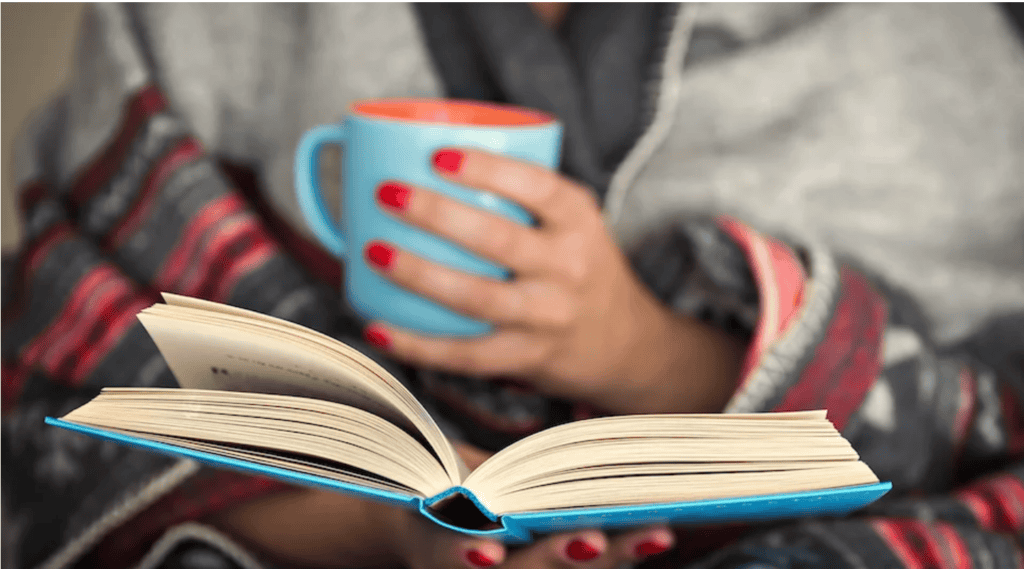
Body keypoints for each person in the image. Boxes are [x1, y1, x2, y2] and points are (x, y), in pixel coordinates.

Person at [3, 3, 1024, 569]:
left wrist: (645, 348)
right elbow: (67, 413)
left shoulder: (932, 43)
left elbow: (993, 426)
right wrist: (392, 526)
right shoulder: (193, 23)